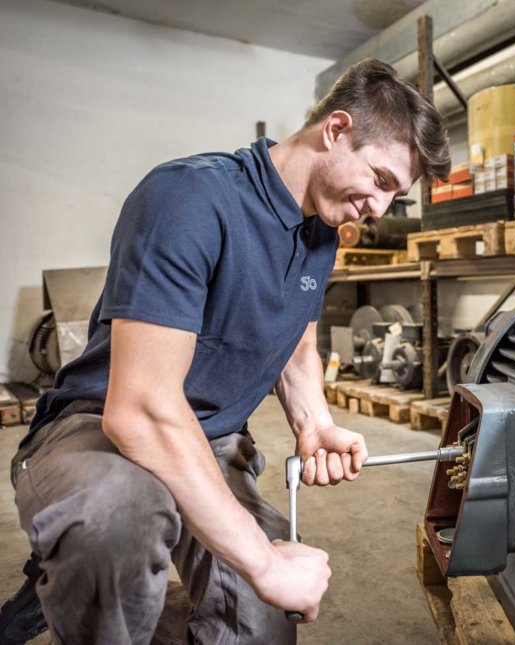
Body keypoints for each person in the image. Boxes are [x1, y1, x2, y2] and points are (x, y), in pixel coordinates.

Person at [8, 58, 450, 644]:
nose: (381, 208)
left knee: (261, 625)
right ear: (336, 130)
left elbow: (296, 343)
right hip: (101, 425)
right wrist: (266, 565)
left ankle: (92, 581)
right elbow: (138, 412)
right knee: (119, 522)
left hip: (210, 440)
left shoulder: (322, 231)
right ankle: (77, 569)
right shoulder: (189, 197)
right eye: (381, 180)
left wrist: (315, 423)